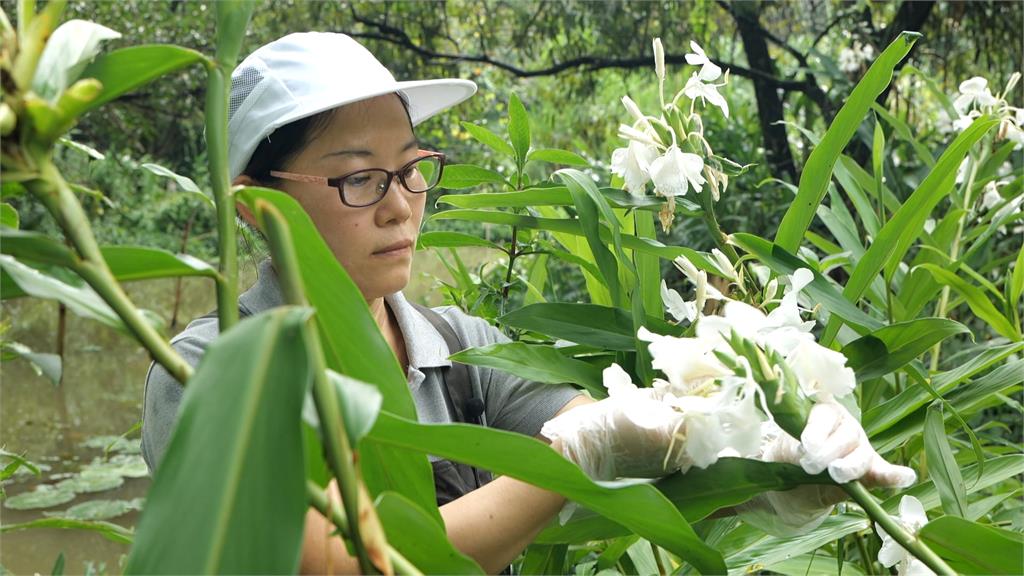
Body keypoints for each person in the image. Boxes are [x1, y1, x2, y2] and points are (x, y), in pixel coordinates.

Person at [141, 31, 913, 574]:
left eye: (413, 170)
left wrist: (762, 466)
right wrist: (569, 460)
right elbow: (333, 564)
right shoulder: (210, 370)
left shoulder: (461, 349)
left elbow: (603, 435)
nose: (400, 207)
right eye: (357, 177)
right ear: (252, 207)